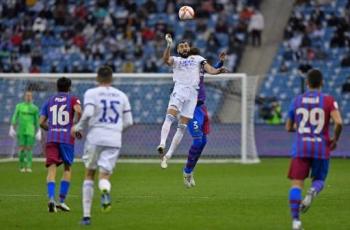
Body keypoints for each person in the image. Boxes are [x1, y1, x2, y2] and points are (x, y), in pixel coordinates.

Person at [71, 66, 133, 225]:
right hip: (114, 138)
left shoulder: (91, 93)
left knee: (89, 173)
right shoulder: (121, 95)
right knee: (104, 175)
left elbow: (89, 113)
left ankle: (86, 217)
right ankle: (105, 190)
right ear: (112, 79)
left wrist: (78, 126)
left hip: (96, 137)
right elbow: (129, 122)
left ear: (97, 78)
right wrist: (116, 130)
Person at [157, 34, 227, 169]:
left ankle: (169, 155)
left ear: (189, 48)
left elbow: (210, 69)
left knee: (185, 129)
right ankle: (163, 144)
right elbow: (166, 59)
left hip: (194, 99)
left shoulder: (198, 61)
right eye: (181, 46)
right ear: (178, 50)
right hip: (180, 92)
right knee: (171, 118)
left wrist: (219, 69)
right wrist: (168, 45)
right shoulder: (177, 60)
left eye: (186, 46)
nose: (184, 48)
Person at [285, 69, 343, 230]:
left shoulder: (297, 100)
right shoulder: (329, 100)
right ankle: (312, 192)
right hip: (321, 146)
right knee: (319, 180)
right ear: (322, 83)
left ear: (307, 83)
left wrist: (302, 127)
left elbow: (288, 127)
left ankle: (296, 222)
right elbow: (339, 123)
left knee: (296, 185)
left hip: (301, 147)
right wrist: (335, 140)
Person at [39, 77, 82, 212]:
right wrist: (75, 126)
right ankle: (61, 201)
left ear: (57, 87)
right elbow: (79, 111)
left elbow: (41, 122)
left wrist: (51, 129)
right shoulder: (73, 99)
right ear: (69, 87)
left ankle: (51, 199)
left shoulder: (49, 101)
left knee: (51, 169)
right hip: (66, 138)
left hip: (52, 137)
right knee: (67, 168)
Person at [9, 90, 41, 172]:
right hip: (21, 129)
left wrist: (39, 130)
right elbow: (15, 116)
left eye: (30, 95)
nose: (28, 97)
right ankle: (21, 166)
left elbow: (37, 120)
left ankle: (29, 166)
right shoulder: (19, 106)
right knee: (21, 148)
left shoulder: (35, 108)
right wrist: (12, 127)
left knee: (29, 148)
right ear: (24, 96)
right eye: (27, 95)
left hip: (30, 130)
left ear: (32, 97)